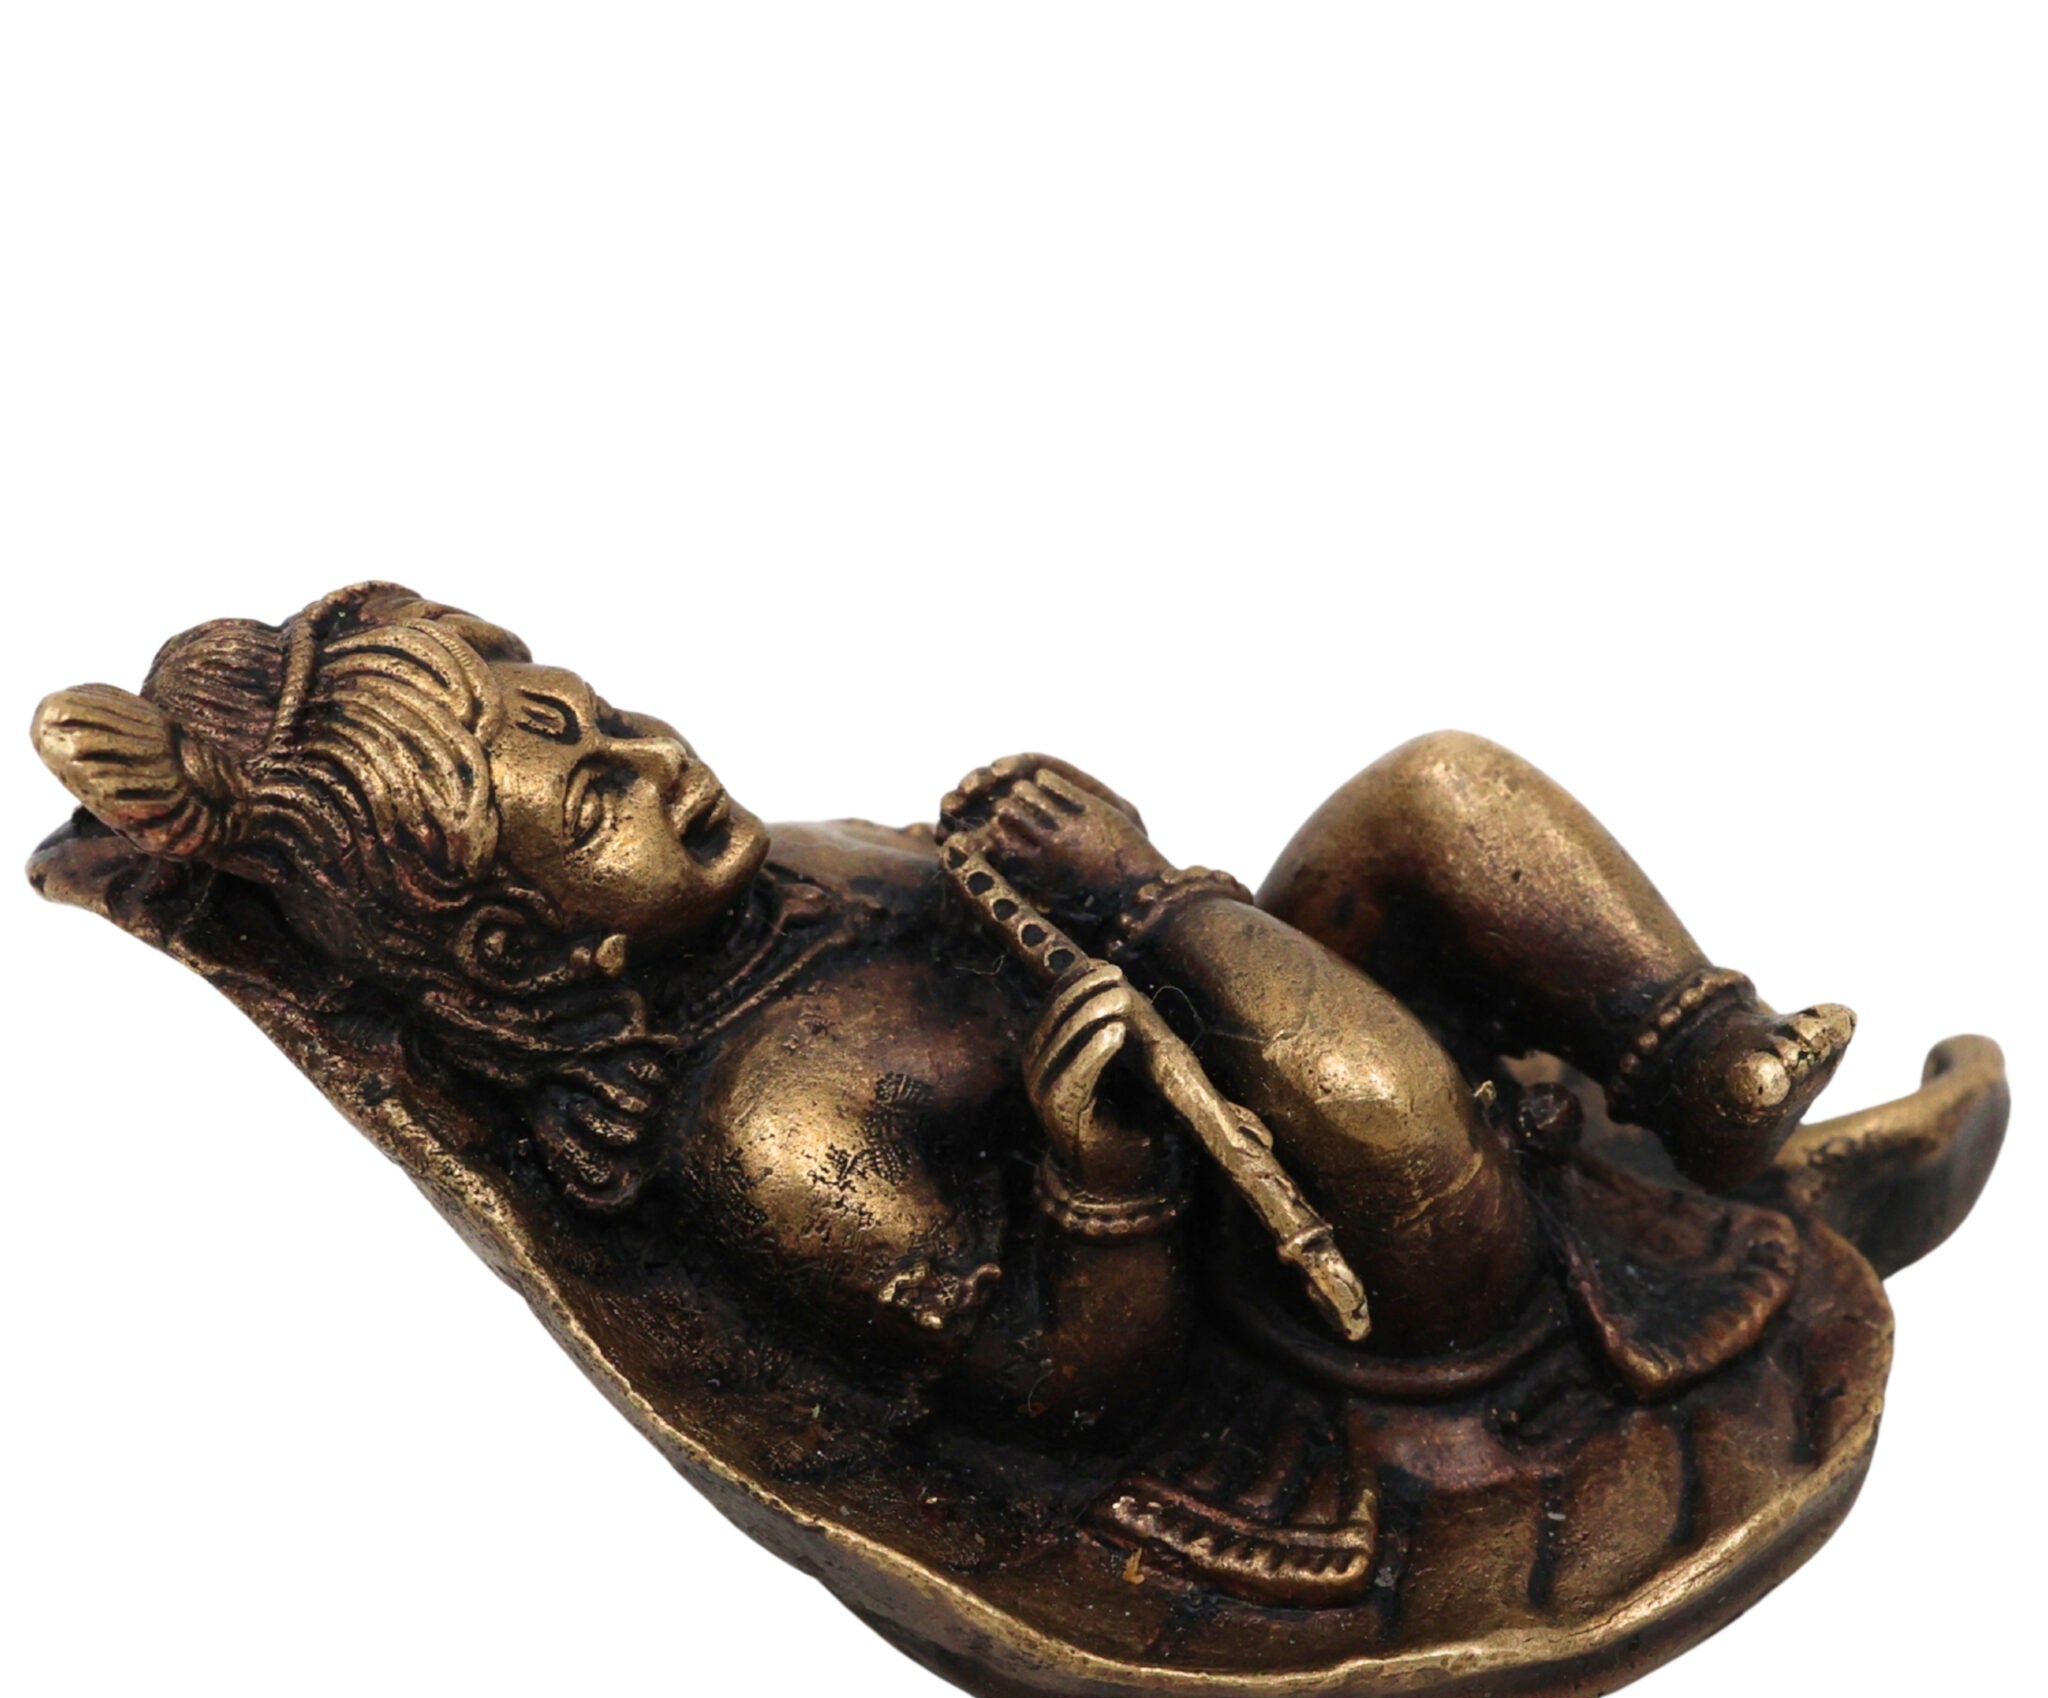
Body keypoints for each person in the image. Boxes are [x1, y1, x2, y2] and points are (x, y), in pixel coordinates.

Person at [31, 583, 1852, 1437]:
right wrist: (1097, 1166)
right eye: (592, 805)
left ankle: (1699, 1057)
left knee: (1437, 787)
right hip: (1358, 1271)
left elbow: (1018, 906)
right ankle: (1541, 1167)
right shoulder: (765, 1125)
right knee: (1371, 1089)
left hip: (1286, 1035)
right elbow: (1056, 1387)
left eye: (602, 716)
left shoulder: (796, 861)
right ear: (518, 955)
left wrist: (1033, 845)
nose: (655, 761)